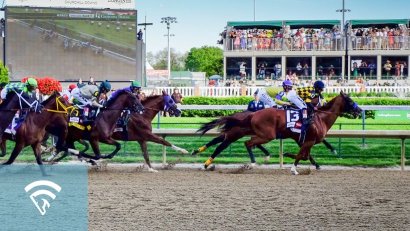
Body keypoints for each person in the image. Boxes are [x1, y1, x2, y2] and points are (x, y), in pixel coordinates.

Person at [275, 80, 308, 145]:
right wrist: (286, 103)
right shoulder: (283, 93)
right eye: (287, 87)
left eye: (289, 87)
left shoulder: (292, 92)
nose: (283, 87)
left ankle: (301, 130)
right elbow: (277, 100)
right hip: (287, 108)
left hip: (298, 107)